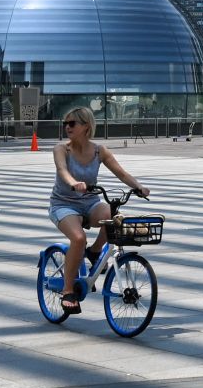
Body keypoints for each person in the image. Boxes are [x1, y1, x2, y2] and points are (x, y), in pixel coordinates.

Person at [49, 107, 149, 314]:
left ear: (86, 126)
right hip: (63, 204)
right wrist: (74, 182)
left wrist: (138, 186)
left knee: (113, 216)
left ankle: (94, 252)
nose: (67, 127)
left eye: (72, 123)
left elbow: (121, 173)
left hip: (89, 202)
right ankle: (68, 291)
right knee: (78, 238)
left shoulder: (99, 151)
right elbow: (62, 171)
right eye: (65, 124)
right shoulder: (61, 149)